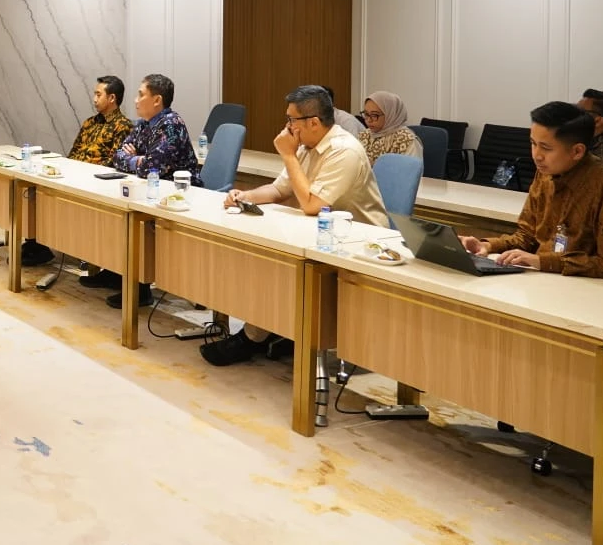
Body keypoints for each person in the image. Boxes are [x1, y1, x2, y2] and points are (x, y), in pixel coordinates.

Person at [202, 85, 388, 366]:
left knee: (278, 263)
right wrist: (245, 196)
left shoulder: (345, 150)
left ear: (313, 122)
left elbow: (313, 205)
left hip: (358, 245)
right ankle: (269, 330)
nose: (288, 126)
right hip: (321, 234)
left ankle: (253, 337)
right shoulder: (306, 146)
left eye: (292, 119)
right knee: (266, 255)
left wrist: (288, 156)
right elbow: (280, 189)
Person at [461, 101, 603, 278]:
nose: (536, 155)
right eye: (533, 143)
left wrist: (543, 261)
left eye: (545, 148)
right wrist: (488, 245)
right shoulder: (545, 173)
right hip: (546, 280)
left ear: (577, 151)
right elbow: (527, 236)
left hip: (585, 289)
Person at [86, 74, 198, 309]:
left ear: (157, 100)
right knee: (117, 209)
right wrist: (137, 160)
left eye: (141, 95)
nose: (135, 100)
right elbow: (117, 156)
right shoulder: (143, 124)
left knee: (135, 219)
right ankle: (117, 272)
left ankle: (141, 288)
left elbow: (151, 168)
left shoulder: (171, 124)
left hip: (178, 195)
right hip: (150, 189)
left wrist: (136, 159)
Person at [19, 75, 134, 269]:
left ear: (112, 98)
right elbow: (73, 153)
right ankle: (36, 244)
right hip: (73, 176)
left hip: (95, 181)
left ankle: (80, 249)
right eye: (94, 94)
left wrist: (82, 174)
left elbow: (114, 162)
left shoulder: (123, 126)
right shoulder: (89, 123)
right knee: (35, 190)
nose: (94, 99)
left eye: (98, 94)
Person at [357, 90, 424, 164]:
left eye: (374, 115)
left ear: (390, 114)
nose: (369, 120)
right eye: (366, 114)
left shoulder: (406, 140)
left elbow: (412, 170)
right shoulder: (364, 136)